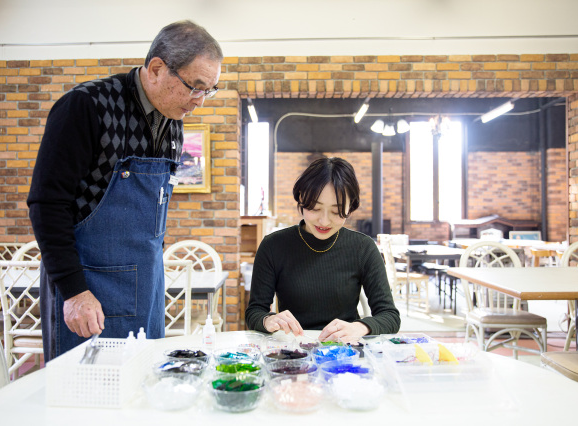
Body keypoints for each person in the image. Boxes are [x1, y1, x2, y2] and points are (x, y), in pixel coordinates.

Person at [27, 21, 223, 360]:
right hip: (88, 294)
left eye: (209, 90)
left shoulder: (172, 123)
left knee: (141, 392)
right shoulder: (86, 107)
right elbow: (47, 204)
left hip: (146, 289)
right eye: (195, 87)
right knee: (86, 398)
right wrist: (74, 292)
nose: (200, 101)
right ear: (158, 68)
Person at [245, 157, 400, 342]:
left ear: (351, 208)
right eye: (315, 208)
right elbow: (255, 311)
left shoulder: (363, 248)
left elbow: (390, 316)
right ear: (301, 199)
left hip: (345, 351)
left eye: (336, 211)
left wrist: (360, 327)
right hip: (293, 349)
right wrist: (268, 319)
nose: (324, 221)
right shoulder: (273, 246)